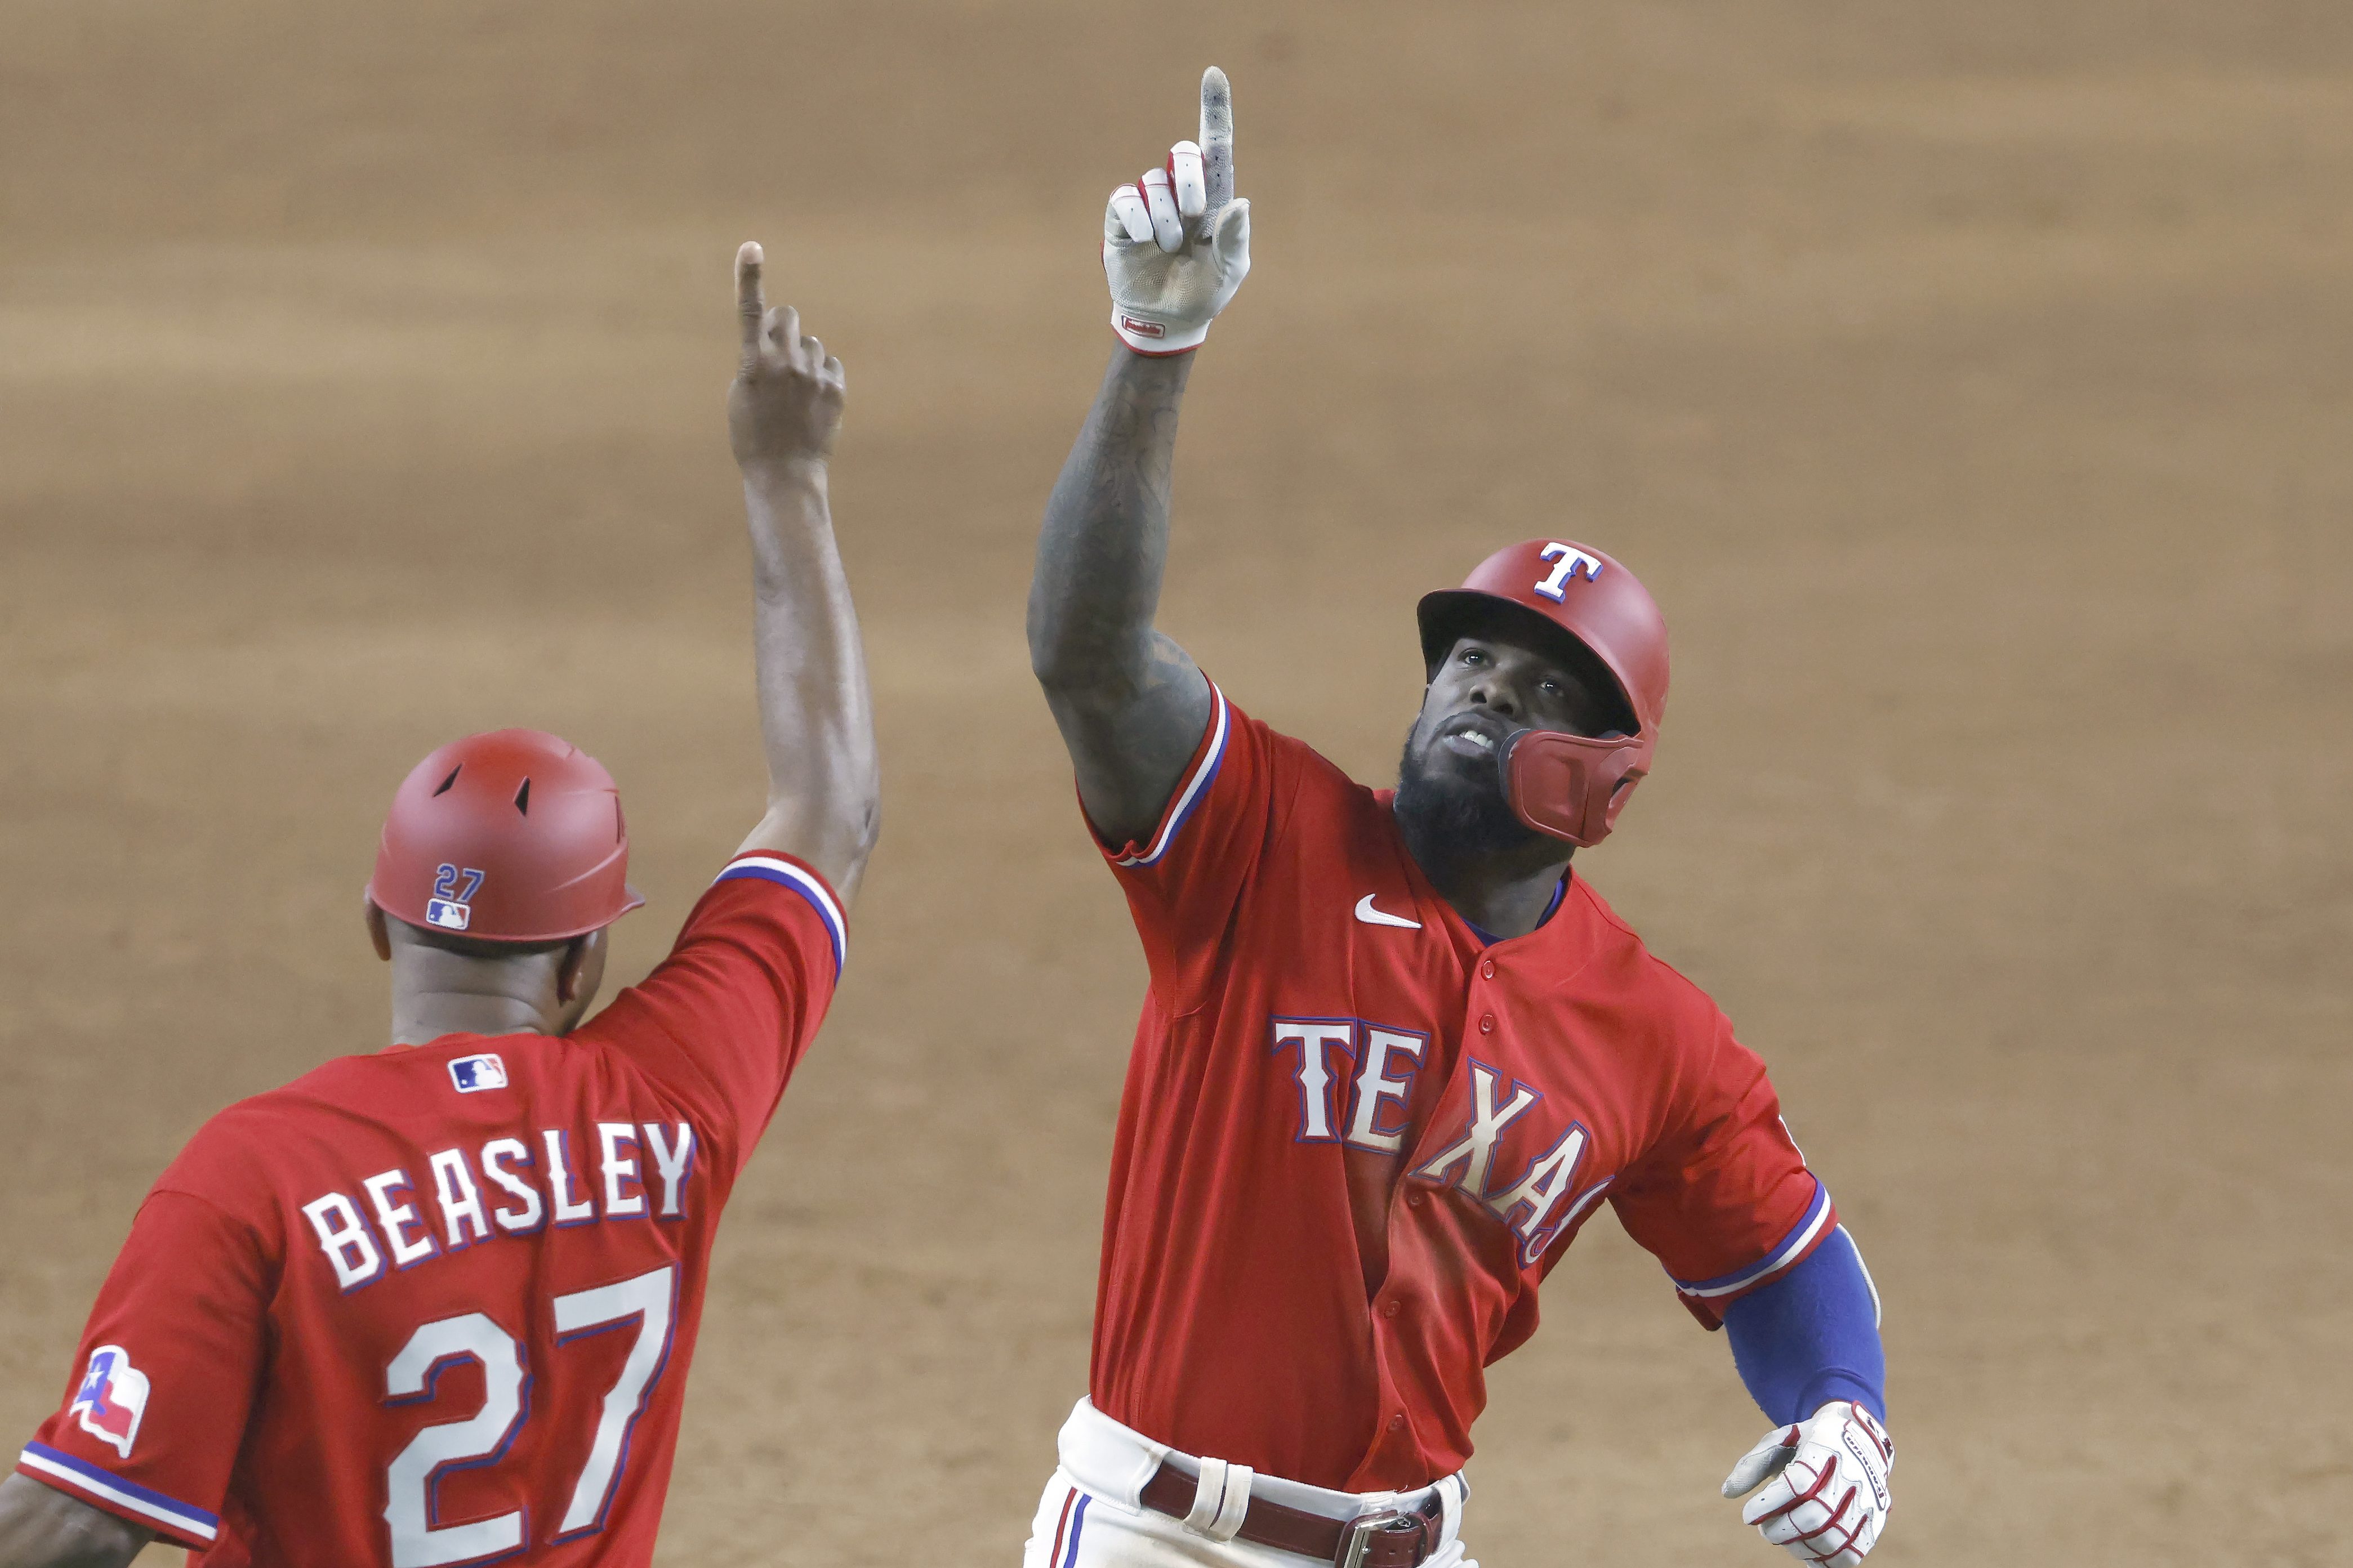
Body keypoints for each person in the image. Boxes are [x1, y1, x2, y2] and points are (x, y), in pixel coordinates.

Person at [1021, 69, 1892, 1568]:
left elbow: (1783, 1258)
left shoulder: (1651, 1033)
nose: (1481, 686)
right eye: (1471, 659)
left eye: (1540, 681)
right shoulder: (1257, 843)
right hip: (1155, 1536)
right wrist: (1154, 349)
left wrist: (1842, 1414)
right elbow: (1089, 654)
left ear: (1607, 773)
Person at [0, 243, 878, 1568]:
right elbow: (832, 806)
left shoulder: (254, 1178)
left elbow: (80, 1520)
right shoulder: (670, 1100)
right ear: (582, 962)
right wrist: (785, 471)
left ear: (377, 921)